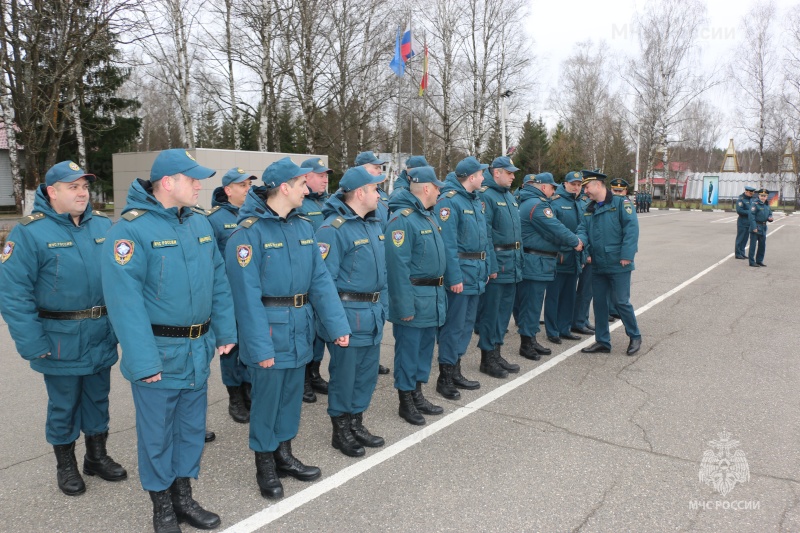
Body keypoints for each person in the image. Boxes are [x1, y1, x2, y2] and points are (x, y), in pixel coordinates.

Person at [102, 149, 237, 532]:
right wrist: (143, 363)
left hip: (196, 348)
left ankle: (184, 499)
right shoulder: (131, 230)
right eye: (192, 179)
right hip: (159, 353)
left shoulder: (198, 224)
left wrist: (225, 331)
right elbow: (124, 303)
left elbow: (219, 283)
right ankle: (162, 508)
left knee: (191, 429)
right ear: (167, 183)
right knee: (158, 435)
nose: (199, 185)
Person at [225, 157, 350, 500]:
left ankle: (284, 454)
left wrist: (337, 325)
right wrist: (259, 347)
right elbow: (245, 298)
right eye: (300, 184)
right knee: (267, 400)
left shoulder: (302, 227)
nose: (306, 189)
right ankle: (264, 464)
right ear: (284, 188)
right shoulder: (248, 233)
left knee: (291, 397)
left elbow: (321, 281)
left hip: (299, 325)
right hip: (268, 328)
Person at [0, 161, 126, 498]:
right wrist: (31, 342)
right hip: (59, 338)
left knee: (98, 398)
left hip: (100, 333)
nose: (82, 192)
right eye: (73, 187)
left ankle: (96, 457)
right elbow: (13, 294)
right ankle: (66, 465)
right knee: (64, 404)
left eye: (84, 186)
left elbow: (119, 279)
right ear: (52, 192)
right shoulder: (29, 232)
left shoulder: (102, 224)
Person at [315, 166, 388, 457]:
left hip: (371, 312)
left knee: (366, 374)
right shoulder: (332, 230)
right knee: (345, 376)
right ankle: (341, 429)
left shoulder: (372, 225)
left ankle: (357, 422)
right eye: (375, 189)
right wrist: (335, 325)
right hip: (347, 314)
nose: (379, 195)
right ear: (360, 193)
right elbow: (323, 284)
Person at [385, 165, 447, 425]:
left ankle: (418, 394)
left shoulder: (428, 217)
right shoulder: (402, 219)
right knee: (408, 353)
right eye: (436, 187)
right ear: (426, 188)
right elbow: (397, 268)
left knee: (423, 352)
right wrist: (403, 306)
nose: (439, 191)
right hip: (414, 297)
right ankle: (405, 401)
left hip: (432, 297)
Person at [434, 157, 491, 399]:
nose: (484, 177)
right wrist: (453, 277)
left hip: (476, 272)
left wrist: (486, 268)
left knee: (467, 325)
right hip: (461, 275)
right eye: (481, 174)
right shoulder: (449, 202)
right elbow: (448, 245)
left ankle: (456, 368)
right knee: (453, 326)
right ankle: (445, 376)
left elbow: (484, 239)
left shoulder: (475, 201)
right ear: (470, 177)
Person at [208, 167, 256, 424]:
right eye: (242, 185)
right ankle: (234, 396)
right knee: (230, 348)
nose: (248, 189)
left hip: (251, 294)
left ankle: (249, 390)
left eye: (249, 184)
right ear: (228, 190)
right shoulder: (214, 219)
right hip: (228, 297)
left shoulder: (254, 216)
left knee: (250, 343)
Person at [577, 170, 642, 357]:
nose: (585, 191)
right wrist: (580, 243)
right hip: (598, 264)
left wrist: (627, 255)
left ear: (597, 185)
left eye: (587, 187)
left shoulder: (621, 204)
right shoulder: (589, 209)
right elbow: (582, 230)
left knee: (621, 302)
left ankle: (635, 336)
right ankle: (603, 341)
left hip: (618, 263)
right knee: (599, 304)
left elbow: (631, 230)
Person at [517, 173, 582, 357]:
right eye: (552, 187)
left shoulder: (531, 202)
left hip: (538, 261)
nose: (554, 191)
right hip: (535, 262)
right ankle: (526, 344)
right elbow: (555, 227)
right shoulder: (537, 205)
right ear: (543, 187)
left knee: (533, 303)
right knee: (531, 303)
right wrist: (575, 241)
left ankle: (531, 339)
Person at [476, 157, 523, 379]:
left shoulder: (509, 196)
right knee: (491, 313)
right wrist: (491, 265)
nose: (513, 176)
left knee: (503, 314)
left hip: (512, 263)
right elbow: (485, 235)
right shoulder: (486, 195)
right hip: (499, 264)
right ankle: (487, 358)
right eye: (510, 173)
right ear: (497, 173)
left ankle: (497, 352)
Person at [298, 157, 335, 403]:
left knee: (320, 330)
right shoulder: (299, 205)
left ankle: (314, 372)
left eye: (326, 175)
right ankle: (302, 378)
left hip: (326, 276)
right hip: (305, 277)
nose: (325, 179)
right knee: (305, 332)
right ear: (306, 177)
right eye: (320, 174)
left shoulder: (328, 203)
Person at [355, 151, 392, 376]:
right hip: (361, 271)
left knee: (378, 315)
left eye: (380, 168)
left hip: (381, 264)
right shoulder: (352, 197)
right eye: (375, 167)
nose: (380, 171)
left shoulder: (383, 199)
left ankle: (372, 359)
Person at [543, 171, 588, 344]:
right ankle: (552, 330)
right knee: (554, 295)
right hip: (560, 256)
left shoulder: (581, 202)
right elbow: (551, 229)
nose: (576, 187)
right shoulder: (555, 202)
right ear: (565, 183)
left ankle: (564, 328)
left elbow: (584, 227)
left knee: (569, 295)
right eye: (573, 184)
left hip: (576, 256)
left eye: (579, 184)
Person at [571, 181, 595, 336]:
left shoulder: (587, 203)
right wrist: (587, 254)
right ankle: (578, 321)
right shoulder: (584, 205)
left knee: (588, 290)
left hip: (587, 251)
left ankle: (583, 319)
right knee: (583, 290)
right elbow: (582, 230)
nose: (580, 188)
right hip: (581, 252)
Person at [748, 188, 773, 267]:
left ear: (767, 196)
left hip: (763, 227)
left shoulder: (767, 205)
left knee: (762, 245)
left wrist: (770, 218)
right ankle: (752, 262)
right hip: (756, 226)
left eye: (765, 196)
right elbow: (751, 216)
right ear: (758, 196)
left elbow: (770, 213)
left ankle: (759, 260)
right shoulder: (755, 204)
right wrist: (754, 227)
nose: (763, 197)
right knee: (753, 245)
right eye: (762, 196)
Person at [735, 186, 756, 259]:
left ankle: (742, 252)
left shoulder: (750, 200)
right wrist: (750, 212)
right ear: (746, 191)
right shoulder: (741, 200)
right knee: (740, 238)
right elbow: (739, 210)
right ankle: (738, 253)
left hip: (748, 222)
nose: (751, 194)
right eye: (750, 193)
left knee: (745, 238)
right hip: (742, 221)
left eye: (752, 193)